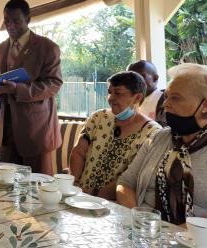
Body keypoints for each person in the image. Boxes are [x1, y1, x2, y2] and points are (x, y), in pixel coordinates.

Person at [117, 63, 207, 224]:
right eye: (166, 96)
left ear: (205, 105)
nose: (165, 104)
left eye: (175, 97)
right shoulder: (158, 138)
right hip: (145, 232)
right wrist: (139, 219)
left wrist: (180, 232)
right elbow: (125, 183)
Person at [0, 0, 63, 174]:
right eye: (6, 21)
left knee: (38, 187)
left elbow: (54, 84)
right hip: (6, 129)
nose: (10, 26)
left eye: (16, 21)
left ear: (28, 19)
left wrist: (17, 89)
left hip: (36, 129)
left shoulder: (47, 47)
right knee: (7, 186)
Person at [69, 71, 161, 200]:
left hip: (116, 204)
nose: (110, 98)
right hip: (80, 195)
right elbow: (78, 152)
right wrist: (74, 184)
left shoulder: (152, 132)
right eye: (109, 92)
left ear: (137, 98)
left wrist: (94, 195)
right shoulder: (99, 118)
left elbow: (132, 178)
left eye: (118, 93)